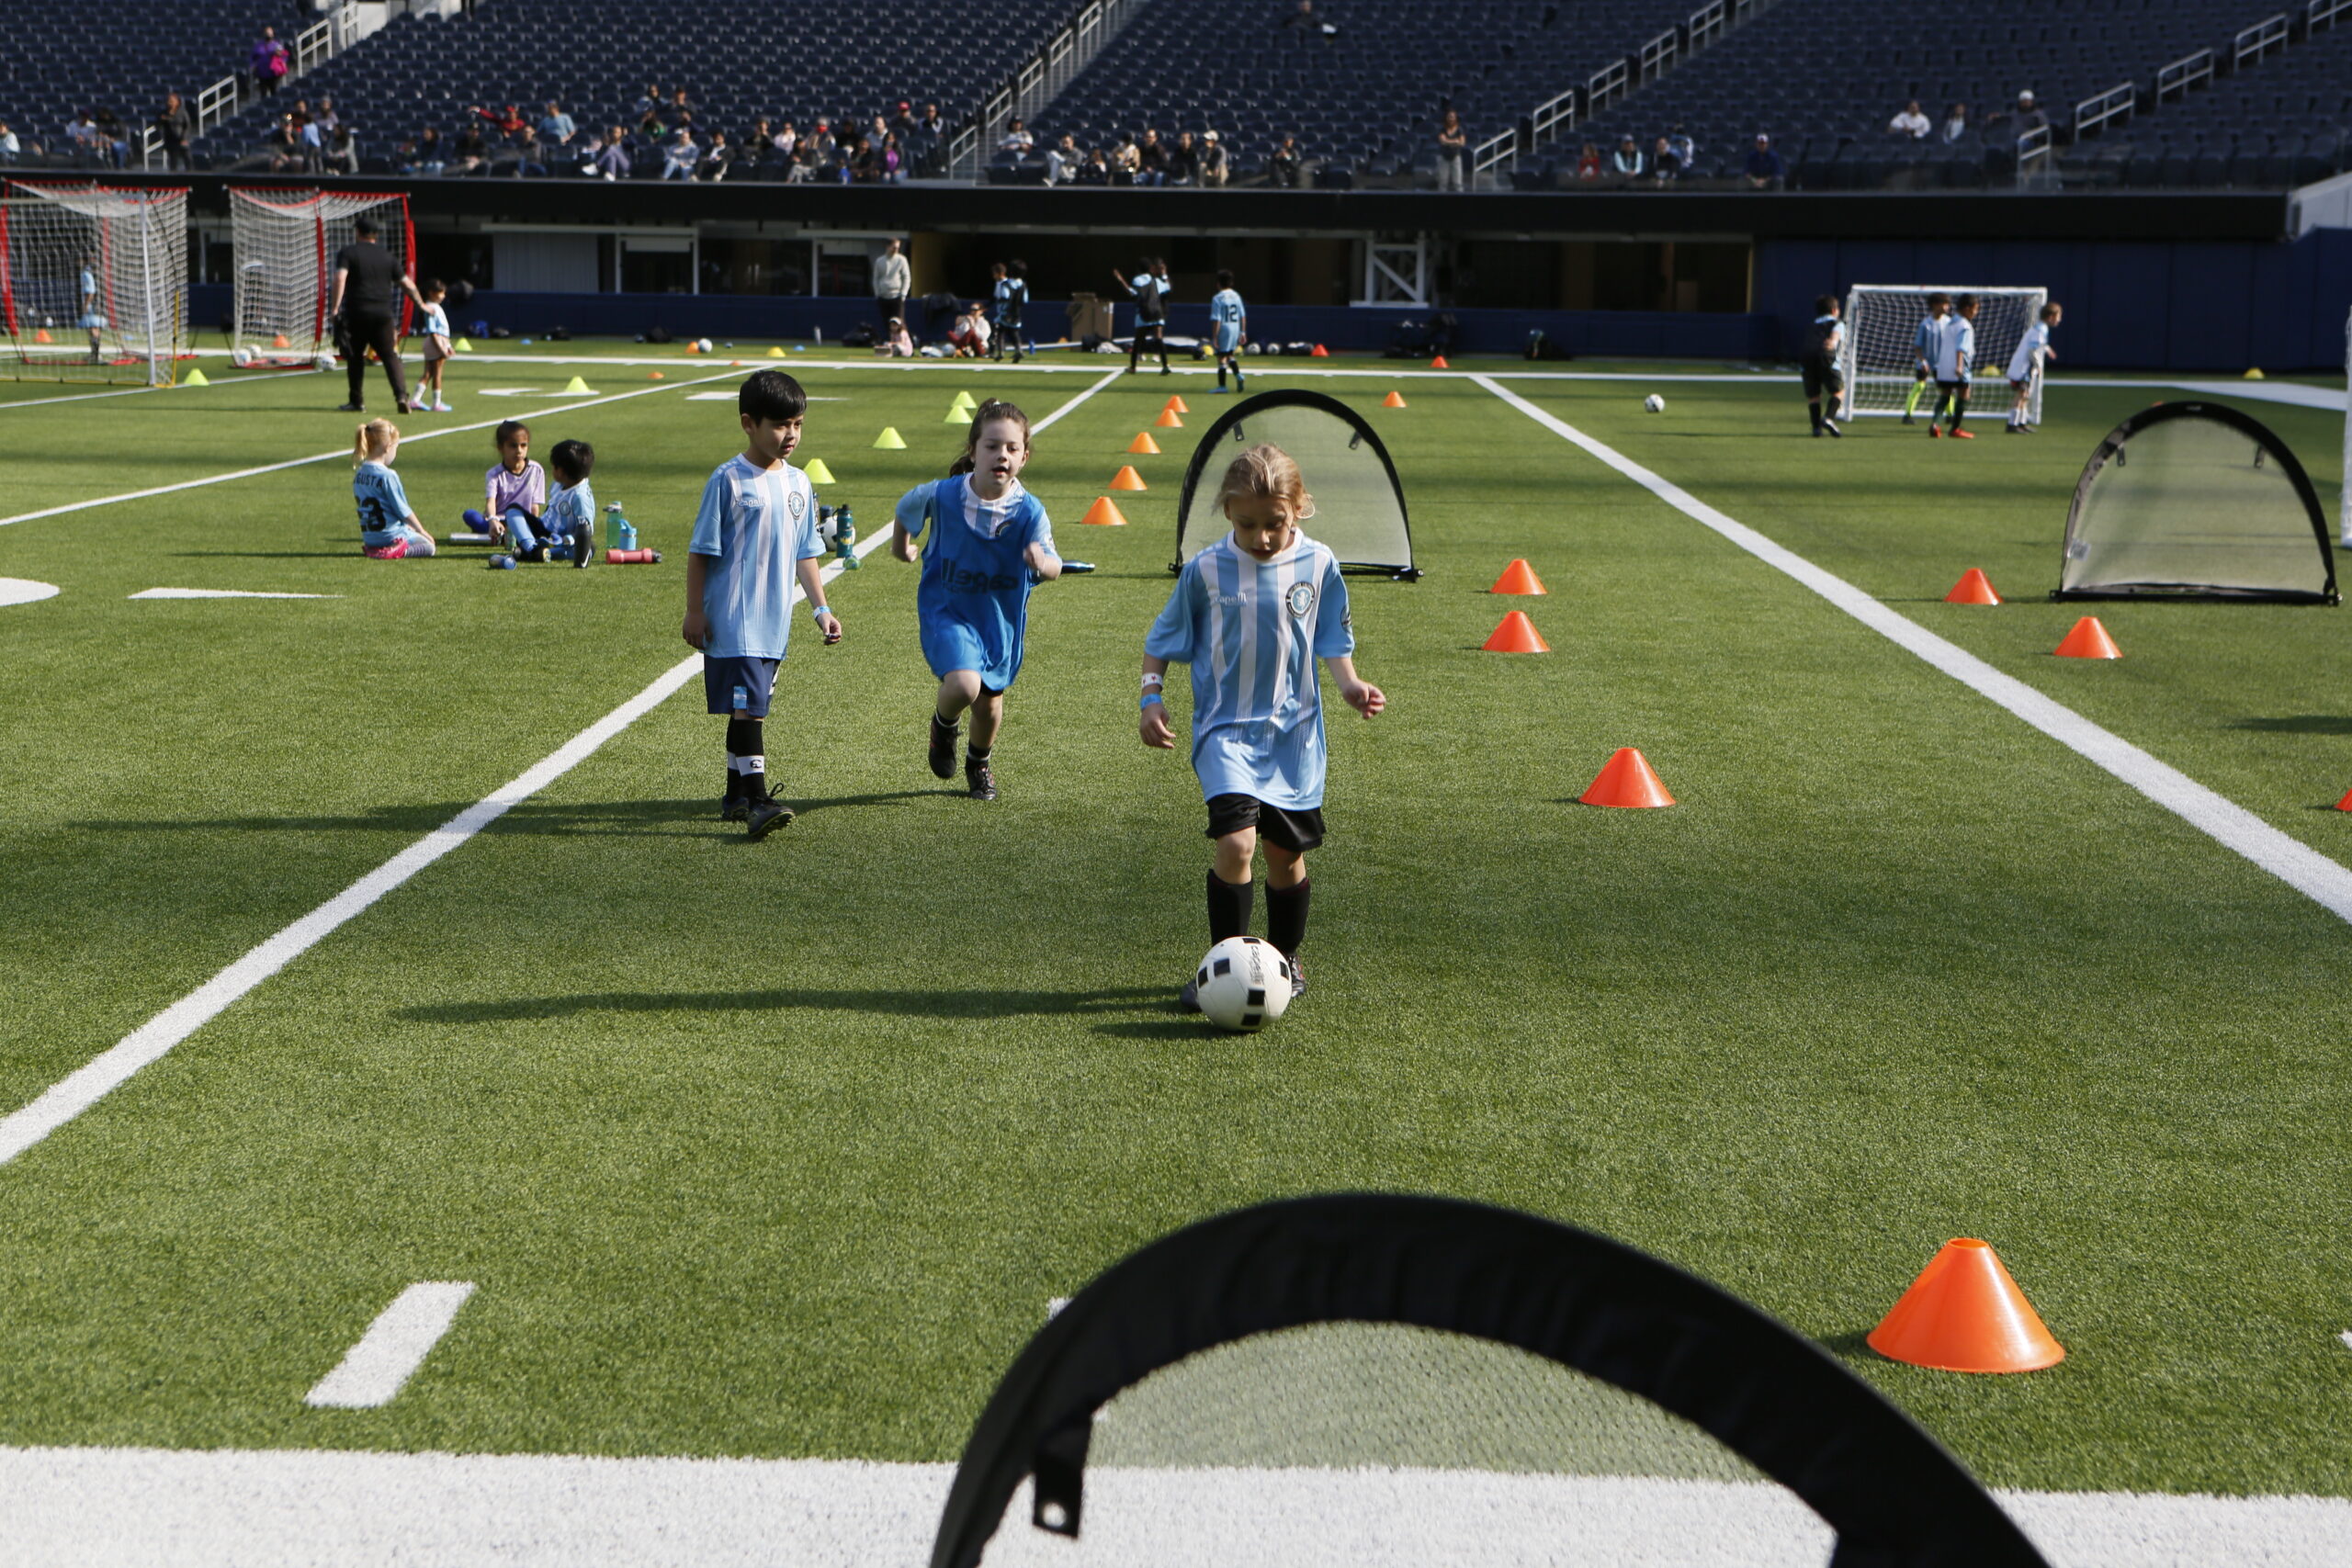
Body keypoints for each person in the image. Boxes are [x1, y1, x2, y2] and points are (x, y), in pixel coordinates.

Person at [1141, 442, 1385, 1009]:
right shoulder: (1205, 570)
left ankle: (1284, 958)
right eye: (1248, 524)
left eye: (1274, 523)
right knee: (1236, 844)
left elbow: (1331, 639)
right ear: (1227, 511)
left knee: (1284, 857)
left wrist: (1349, 684)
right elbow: (1160, 643)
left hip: (1295, 739)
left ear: (1298, 508)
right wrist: (1150, 700)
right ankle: (1224, 967)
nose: (1262, 537)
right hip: (1226, 734)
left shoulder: (1319, 564)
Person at [681, 371, 842, 840]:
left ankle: (733, 794)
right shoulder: (728, 480)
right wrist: (695, 610)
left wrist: (820, 609)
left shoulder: (799, 483)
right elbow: (700, 551)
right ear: (749, 423)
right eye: (780, 425)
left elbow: (805, 552)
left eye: (798, 424)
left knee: (746, 707)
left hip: (774, 621)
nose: (790, 435)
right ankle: (756, 800)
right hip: (735, 620)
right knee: (751, 709)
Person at [892, 400, 1062, 802]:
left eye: (1011, 448)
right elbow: (906, 507)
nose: (1000, 454)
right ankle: (943, 725)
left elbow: (1054, 564)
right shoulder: (945, 495)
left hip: (998, 620)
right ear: (973, 452)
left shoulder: (1030, 512)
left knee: (989, 704)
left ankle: (978, 763)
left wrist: (1042, 562)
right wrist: (903, 547)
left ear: (1023, 457)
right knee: (965, 683)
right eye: (991, 446)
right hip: (947, 611)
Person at [329, 214, 425, 414]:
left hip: (357, 312)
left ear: (358, 232)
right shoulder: (387, 256)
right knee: (390, 356)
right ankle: (401, 396)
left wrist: (335, 308)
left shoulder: (348, 253)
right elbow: (407, 284)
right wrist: (422, 305)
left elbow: (340, 278)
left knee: (355, 357)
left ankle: (357, 401)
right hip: (383, 313)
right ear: (375, 235)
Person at [352, 419, 436, 559]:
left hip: (370, 538)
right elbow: (402, 509)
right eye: (396, 447)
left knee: (407, 530)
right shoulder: (387, 475)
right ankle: (398, 551)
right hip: (391, 535)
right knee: (429, 546)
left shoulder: (359, 474)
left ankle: (375, 548)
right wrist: (421, 530)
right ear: (388, 447)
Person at [467, 420, 546, 553]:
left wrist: (531, 526)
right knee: (469, 515)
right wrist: (492, 520)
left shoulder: (536, 470)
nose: (519, 451)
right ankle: (497, 532)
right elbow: (490, 501)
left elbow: (534, 507)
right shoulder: (494, 474)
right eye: (513, 446)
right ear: (501, 448)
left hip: (522, 521)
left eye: (523, 445)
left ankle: (510, 536)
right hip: (501, 521)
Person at [1927, 292, 1980, 439]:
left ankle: (1935, 424)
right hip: (1958, 366)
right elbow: (1961, 348)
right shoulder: (1965, 326)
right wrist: (1959, 366)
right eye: (1975, 309)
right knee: (1964, 394)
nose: (1976, 313)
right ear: (1967, 308)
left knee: (1945, 395)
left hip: (1943, 366)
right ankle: (1955, 428)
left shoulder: (1950, 323)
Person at [540, 439, 598, 566]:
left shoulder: (580, 497)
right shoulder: (557, 484)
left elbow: (586, 530)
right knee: (514, 511)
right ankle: (531, 545)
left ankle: (540, 551)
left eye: (554, 466)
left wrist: (568, 540)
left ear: (560, 471)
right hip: (544, 530)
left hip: (562, 540)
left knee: (569, 550)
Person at [2005, 299, 2060, 434]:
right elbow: (2032, 350)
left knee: (2026, 395)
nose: (2059, 320)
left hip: (2026, 368)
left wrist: (2047, 349)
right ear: (2051, 317)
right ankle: (2012, 424)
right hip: (2023, 368)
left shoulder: (2040, 328)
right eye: (2059, 316)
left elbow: (2038, 345)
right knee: (2021, 394)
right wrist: (2038, 364)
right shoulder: (2040, 330)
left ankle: (2021, 423)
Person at [1116, 255, 1170, 375]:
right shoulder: (1156, 280)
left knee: (1138, 341)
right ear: (1150, 268)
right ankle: (1165, 365)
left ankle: (1133, 367)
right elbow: (1167, 288)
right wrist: (1164, 274)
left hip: (1143, 314)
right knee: (1159, 338)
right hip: (1157, 312)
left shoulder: (1137, 280)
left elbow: (1132, 293)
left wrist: (1121, 280)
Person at [1802, 294, 1846, 438]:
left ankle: (1816, 429)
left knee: (1814, 396)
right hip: (1826, 358)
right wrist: (1832, 342)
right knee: (1839, 392)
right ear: (1834, 310)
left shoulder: (1811, 325)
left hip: (1807, 359)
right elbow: (1835, 335)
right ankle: (1828, 418)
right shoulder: (1837, 323)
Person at [1904, 291, 1949, 425]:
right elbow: (1917, 346)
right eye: (1944, 304)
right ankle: (1908, 414)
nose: (1946, 307)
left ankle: (1950, 415)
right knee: (1919, 386)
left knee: (1946, 388)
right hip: (1926, 362)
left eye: (1947, 304)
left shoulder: (1949, 322)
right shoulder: (1926, 324)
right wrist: (1922, 361)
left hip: (1942, 363)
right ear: (1935, 305)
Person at [416, 278, 454, 412]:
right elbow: (434, 332)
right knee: (437, 373)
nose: (443, 296)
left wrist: (448, 346)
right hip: (436, 341)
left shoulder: (433, 307)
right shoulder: (431, 308)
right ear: (431, 293)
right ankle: (436, 403)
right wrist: (442, 349)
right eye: (440, 293)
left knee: (428, 373)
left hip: (436, 341)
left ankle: (415, 400)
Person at [1208, 268, 1248, 393]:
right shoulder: (1236, 296)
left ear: (1218, 283)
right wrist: (1243, 332)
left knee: (1221, 357)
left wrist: (1214, 337)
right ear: (1231, 283)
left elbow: (1217, 319)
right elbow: (1242, 315)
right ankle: (1238, 375)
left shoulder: (1218, 298)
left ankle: (1222, 386)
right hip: (1235, 327)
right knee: (1230, 354)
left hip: (1224, 328)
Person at [989, 259, 1029, 363]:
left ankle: (1001, 352)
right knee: (1014, 333)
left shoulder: (1006, 284)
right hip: (1016, 314)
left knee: (1000, 331)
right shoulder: (1023, 285)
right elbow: (1025, 300)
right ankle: (1019, 350)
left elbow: (1005, 296)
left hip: (1005, 313)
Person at [155, 93, 193, 171]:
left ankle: (190, 176)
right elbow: (157, 124)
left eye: (172, 101)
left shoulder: (182, 112)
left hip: (181, 138)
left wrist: (184, 138)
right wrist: (162, 119)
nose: (170, 103)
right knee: (173, 161)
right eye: (169, 101)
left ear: (177, 102)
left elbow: (187, 126)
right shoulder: (164, 112)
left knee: (187, 158)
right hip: (170, 140)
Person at [78, 254, 104, 362]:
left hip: (92, 305)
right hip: (93, 304)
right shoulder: (88, 273)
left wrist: (85, 305)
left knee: (93, 328)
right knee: (92, 329)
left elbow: (91, 292)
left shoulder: (86, 274)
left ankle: (96, 355)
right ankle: (94, 353)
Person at [1436, 108, 1469, 190]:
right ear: (1446, 118)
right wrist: (1455, 141)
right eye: (1449, 117)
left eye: (1452, 117)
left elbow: (1462, 142)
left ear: (1455, 118)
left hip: (1456, 157)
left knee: (1457, 182)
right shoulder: (1442, 130)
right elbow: (1442, 140)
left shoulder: (1459, 130)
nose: (1451, 119)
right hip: (1444, 157)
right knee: (1443, 182)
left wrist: (1448, 142)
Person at [251, 27, 288, 97]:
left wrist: (283, 62)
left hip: (273, 73)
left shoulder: (276, 45)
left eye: (269, 33)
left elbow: (284, 55)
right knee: (263, 93)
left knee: (274, 92)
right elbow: (253, 57)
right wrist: (252, 65)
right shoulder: (259, 46)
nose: (268, 35)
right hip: (262, 73)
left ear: (273, 34)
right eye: (267, 33)